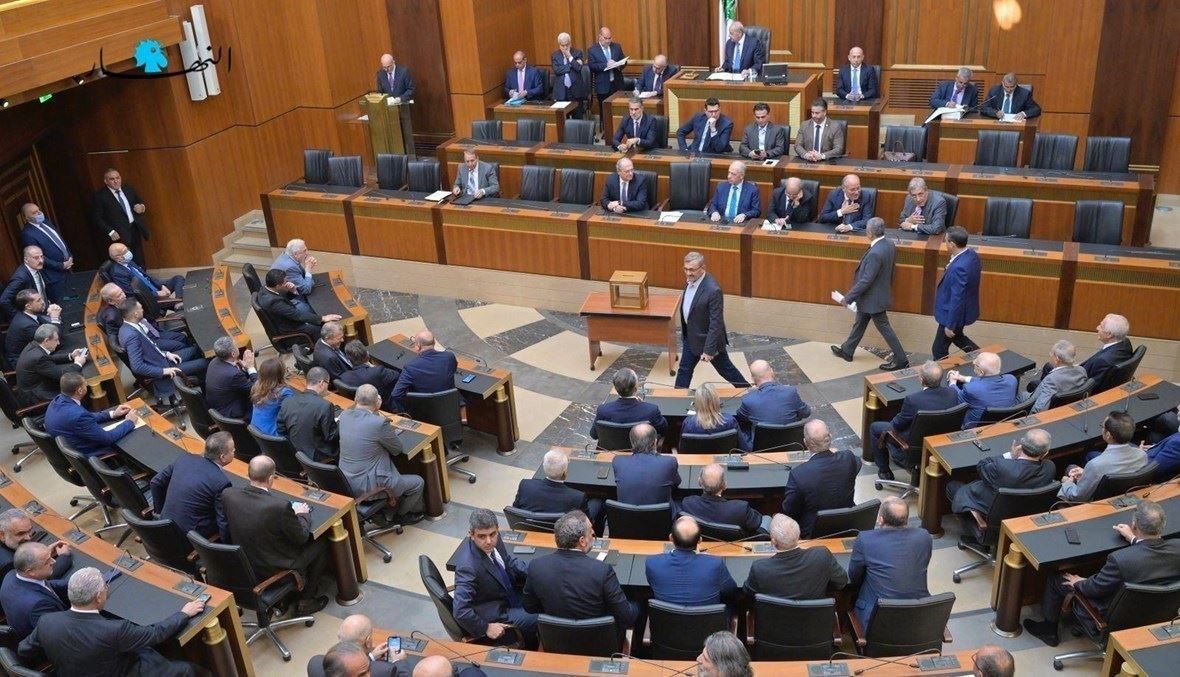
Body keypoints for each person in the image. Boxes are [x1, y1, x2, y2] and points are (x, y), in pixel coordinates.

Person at [1023, 499, 1180, 647]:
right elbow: (1150, 555)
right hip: (1157, 615)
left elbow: (1094, 588)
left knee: (1057, 579)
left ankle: (1048, 632)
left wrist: (1079, 582)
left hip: (1109, 616)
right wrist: (1133, 539)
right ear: (1162, 526)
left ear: (1133, 525)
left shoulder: (1120, 559)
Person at [20, 567, 206, 676]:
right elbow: (155, 633)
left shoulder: (47, 621)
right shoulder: (114, 630)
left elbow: (23, 649)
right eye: (105, 587)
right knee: (189, 670)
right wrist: (184, 613)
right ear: (98, 596)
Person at [222, 456, 330, 614]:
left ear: (249, 474)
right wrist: (302, 514)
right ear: (271, 478)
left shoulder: (229, 495)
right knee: (322, 543)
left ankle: (284, 599)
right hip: (276, 568)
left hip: (247, 564)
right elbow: (302, 537)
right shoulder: (279, 507)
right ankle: (306, 600)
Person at [521, 510, 634, 641]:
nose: (593, 532)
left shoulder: (536, 566)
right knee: (636, 606)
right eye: (590, 530)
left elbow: (529, 607)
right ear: (582, 541)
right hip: (598, 643)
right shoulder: (602, 571)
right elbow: (625, 617)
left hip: (555, 641)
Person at [338, 385, 426, 522]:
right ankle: (401, 516)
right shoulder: (379, 423)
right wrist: (376, 410)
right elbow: (396, 450)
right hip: (371, 486)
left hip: (346, 481)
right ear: (377, 402)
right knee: (418, 482)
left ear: (355, 399)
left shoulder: (344, 416)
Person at [830, 218, 909, 371]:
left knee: (885, 328)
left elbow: (866, 280)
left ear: (870, 233)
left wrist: (847, 298)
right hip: (874, 296)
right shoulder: (889, 244)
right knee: (860, 322)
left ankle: (901, 359)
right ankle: (847, 350)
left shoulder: (875, 253)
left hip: (874, 299)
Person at [452, 509, 537, 645]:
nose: (489, 541)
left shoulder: (495, 540)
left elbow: (507, 561)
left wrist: (536, 572)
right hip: (497, 612)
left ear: (497, 529)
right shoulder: (468, 567)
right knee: (539, 618)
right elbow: (460, 611)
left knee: (543, 598)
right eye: (482, 536)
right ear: (471, 535)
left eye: (492, 534)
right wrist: (485, 627)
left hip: (508, 593)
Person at [848, 497, 932, 627]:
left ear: (881, 520)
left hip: (876, 621)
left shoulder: (865, 539)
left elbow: (854, 577)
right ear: (906, 519)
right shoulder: (924, 536)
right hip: (918, 617)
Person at [868, 361, 959, 480]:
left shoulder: (913, 400)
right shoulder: (953, 393)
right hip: (941, 441)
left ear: (921, 379)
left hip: (916, 443)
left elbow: (896, 425)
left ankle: (885, 471)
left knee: (875, 427)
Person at [948, 429, 1055, 528]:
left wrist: (1011, 456)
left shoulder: (1002, 467)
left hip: (993, 514)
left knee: (953, 486)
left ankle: (979, 524)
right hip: (1024, 514)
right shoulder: (1050, 467)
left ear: (1021, 444)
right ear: (1045, 453)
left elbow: (982, 465)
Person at [676, 252, 750, 388]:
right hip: (691, 337)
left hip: (709, 341)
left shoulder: (713, 290)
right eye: (685, 269)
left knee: (726, 370)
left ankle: (747, 391)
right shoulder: (691, 280)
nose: (688, 273)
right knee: (684, 370)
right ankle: (676, 397)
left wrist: (709, 350)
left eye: (692, 269)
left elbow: (716, 323)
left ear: (702, 268)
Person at [782, 420, 861, 537]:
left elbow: (789, 510)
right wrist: (836, 454)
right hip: (847, 526)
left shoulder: (798, 474)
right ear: (830, 437)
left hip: (814, 533)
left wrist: (808, 466)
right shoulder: (848, 458)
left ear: (806, 443)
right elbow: (857, 464)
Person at [150, 430, 234, 541]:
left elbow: (155, 482)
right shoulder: (221, 482)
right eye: (232, 450)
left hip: (165, 525)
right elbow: (223, 522)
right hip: (189, 537)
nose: (234, 451)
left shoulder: (184, 459)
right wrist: (226, 547)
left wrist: (160, 515)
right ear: (222, 457)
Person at [117, 298, 207, 399]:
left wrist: (166, 353)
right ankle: (204, 395)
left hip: (162, 358)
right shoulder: (131, 336)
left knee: (196, 350)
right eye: (141, 308)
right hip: (162, 367)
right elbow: (137, 366)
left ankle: (196, 379)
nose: (143, 310)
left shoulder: (129, 326)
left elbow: (150, 347)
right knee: (206, 362)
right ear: (136, 314)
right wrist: (163, 371)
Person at [743, 514, 848, 600]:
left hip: (774, 620)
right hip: (815, 619)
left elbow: (747, 592)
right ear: (798, 536)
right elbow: (842, 582)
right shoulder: (822, 556)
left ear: (773, 542)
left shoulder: (760, 568)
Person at [646, 516, 738, 609]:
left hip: (666, 618)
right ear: (700, 540)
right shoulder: (716, 563)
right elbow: (731, 590)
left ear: (671, 538)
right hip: (707, 618)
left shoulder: (652, 563)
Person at [1058, 412, 1149, 502]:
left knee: (1070, 468)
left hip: (1096, 503)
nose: (1102, 428)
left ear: (1108, 435)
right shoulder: (1142, 455)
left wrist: (1067, 483)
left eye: (1102, 426)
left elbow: (1078, 497)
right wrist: (1086, 473)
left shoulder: (1095, 465)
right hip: (1124, 497)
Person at [45, 373, 138, 457]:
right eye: (85, 384)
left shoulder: (58, 400)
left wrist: (113, 414)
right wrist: (129, 422)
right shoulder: (78, 415)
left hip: (72, 446)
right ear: (80, 390)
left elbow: (87, 416)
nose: (87, 384)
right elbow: (107, 439)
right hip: (93, 453)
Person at [0, 542, 69, 640]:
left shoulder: (11, 575)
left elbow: (45, 585)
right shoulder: (39, 606)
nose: (53, 561)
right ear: (31, 572)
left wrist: (74, 584)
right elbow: (61, 634)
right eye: (47, 561)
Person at [734, 359, 810, 449]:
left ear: (753, 378)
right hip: (792, 444)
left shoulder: (748, 400)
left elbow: (740, 417)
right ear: (772, 371)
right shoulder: (790, 392)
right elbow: (806, 412)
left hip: (762, 447)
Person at [932, 226, 982, 358]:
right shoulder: (972, 255)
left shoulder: (958, 268)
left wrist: (950, 325)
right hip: (964, 311)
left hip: (953, 315)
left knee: (938, 350)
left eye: (946, 241)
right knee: (959, 338)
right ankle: (982, 358)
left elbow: (957, 298)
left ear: (952, 244)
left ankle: (983, 360)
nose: (944, 243)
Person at [680, 464, 766, 536]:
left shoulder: (688, 504)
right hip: (736, 547)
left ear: (699, 482)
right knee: (767, 518)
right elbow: (756, 523)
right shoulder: (740, 509)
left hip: (704, 543)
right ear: (724, 485)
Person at [308, 615, 409, 677]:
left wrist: (371, 657)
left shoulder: (315, 663)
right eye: (362, 675)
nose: (369, 675)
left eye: (368, 669)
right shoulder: (386, 671)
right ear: (368, 641)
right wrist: (399, 662)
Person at [96, 282, 188, 348]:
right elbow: (112, 335)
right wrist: (117, 347)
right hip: (147, 341)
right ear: (111, 301)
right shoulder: (112, 316)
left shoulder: (127, 300)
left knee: (182, 337)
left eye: (122, 292)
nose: (123, 295)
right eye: (119, 295)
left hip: (153, 330)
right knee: (180, 345)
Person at [257, 268, 339, 340]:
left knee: (311, 314)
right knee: (319, 328)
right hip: (289, 327)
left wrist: (292, 290)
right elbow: (297, 315)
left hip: (284, 317)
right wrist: (322, 318)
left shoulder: (265, 288)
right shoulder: (274, 302)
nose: (288, 282)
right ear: (278, 286)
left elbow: (282, 296)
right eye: (285, 282)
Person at [278, 367, 339, 462]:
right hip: (319, 456)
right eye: (328, 383)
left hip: (295, 452)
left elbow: (281, 430)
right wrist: (340, 423)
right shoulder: (325, 406)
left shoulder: (287, 402)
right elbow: (331, 436)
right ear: (321, 383)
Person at [391, 330, 458, 413]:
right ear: (434, 343)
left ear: (418, 346)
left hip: (423, 412)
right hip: (449, 407)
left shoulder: (410, 367)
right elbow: (452, 370)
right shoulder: (449, 357)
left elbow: (396, 394)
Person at [612, 423, 680, 505]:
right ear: (655, 442)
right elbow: (676, 483)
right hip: (661, 513)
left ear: (631, 443)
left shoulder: (618, 461)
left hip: (625, 513)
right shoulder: (669, 462)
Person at [590, 368, 666, 440]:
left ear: (616, 389)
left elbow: (594, 435)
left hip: (612, 449)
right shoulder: (651, 410)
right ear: (636, 388)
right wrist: (644, 405)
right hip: (641, 448)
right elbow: (663, 429)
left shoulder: (602, 410)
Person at [947, 351, 1017, 428]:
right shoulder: (1012, 380)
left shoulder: (971, 389)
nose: (973, 362)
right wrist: (962, 378)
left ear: (981, 372)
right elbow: (988, 380)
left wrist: (952, 382)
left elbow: (955, 396)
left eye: (975, 364)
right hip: (1004, 423)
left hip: (975, 428)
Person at [18, 203, 72, 303]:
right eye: (34, 213)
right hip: (54, 277)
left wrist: (69, 256)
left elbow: (59, 240)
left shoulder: (46, 222)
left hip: (67, 268)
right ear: (26, 217)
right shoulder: (27, 234)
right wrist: (61, 265)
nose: (39, 213)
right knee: (64, 303)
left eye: (39, 210)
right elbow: (38, 257)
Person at [513, 450, 593, 515]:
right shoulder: (577, 497)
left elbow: (515, 511)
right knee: (597, 503)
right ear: (565, 472)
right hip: (560, 530)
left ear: (544, 467)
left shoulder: (525, 485)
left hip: (528, 527)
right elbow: (587, 522)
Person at [0, 509, 72, 581]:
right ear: (2, 535)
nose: (28, 538)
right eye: (21, 533)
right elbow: (38, 581)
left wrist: (43, 554)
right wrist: (64, 556)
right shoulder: (9, 564)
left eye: (29, 531)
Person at [1024, 340, 1088, 413]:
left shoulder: (1051, 380)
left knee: (1019, 396)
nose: (1050, 355)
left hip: (1030, 405)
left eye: (1052, 353)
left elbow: (1039, 409)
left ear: (1056, 359)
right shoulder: (1082, 370)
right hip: (1068, 409)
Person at [106, 242, 183, 302]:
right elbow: (132, 294)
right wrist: (157, 294)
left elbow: (146, 277)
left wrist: (161, 286)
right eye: (125, 251)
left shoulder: (129, 262)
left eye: (127, 249)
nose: (128, 252)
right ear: (118, 257)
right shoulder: (118, 273)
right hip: (149, 298)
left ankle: (178, 302)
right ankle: (177, 303)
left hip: (155, 288)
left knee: (178, 278)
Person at [7, 290, 63, 370]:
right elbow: (54, 341)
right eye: (38, 300)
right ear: (28, 306)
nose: (43, 302)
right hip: (23, 363)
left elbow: (48, 328)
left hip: (33, 354)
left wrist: (52, 315)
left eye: (41, 298)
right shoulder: (27, 325)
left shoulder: (28, 314)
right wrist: (55, 318)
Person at [204, 336, 257, 420]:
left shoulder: (213, 362)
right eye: (236, 346)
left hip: (219, 406)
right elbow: (256, 389)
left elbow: (235, 382)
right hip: (231, 413)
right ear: (233, 354)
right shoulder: (233, 374)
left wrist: (244, 369)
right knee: (265, 394)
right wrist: (250, 367)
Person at [1079, 313, 1134, 386]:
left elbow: (1086, 386)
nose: (1097, 328)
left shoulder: (1102, 361)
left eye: (1101, 326)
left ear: (1109, 334)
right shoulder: (1125, 344)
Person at [249, 356, 295, 435]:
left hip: (256, 430)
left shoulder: (256, 386)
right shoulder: (284, 392)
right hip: (273, 435)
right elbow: (294, 415)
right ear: (281, 374)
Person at [587, 26, 626, 117]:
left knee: (619, 111)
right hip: (603, 86)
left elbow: (624, 61)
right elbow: (592, 66)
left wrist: (618, 65)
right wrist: (606, 65)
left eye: (610, 38)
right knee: (605, 113)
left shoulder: (616, 47)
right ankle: (605, 126)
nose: (608, 41)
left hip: (617, 84)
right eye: (606, 38)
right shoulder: (592, 50)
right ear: (600, 37)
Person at [0, 246, 56, 310]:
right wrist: (19, 315)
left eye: (42, 257)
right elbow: (4, 300)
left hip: (44, 308)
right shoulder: (21, 278)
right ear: (26, 260)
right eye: (36, 258)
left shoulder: (37, 268)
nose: (41, 261)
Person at [271, 238, 317, 313]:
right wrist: (308, 269)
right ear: (296, 254)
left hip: (288, 290)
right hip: (287, 299)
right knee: (316, 309)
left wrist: (307, 273)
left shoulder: (287, 255)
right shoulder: (290, 267)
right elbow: (306, 289)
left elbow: (302, 275)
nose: (307, 253)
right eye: (304, 251)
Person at [551, 33, 587, 118]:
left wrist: (570, 57)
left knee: (578, 118)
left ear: (570, 43)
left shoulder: (577, 53)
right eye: (562, 45)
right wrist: (571, 65)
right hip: (561, 91)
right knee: (562, 119)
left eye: (567, 45)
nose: (565, 48)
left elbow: (578, 68)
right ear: (559, 45)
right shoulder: (555, 55)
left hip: (576, 90)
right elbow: (557, 71)